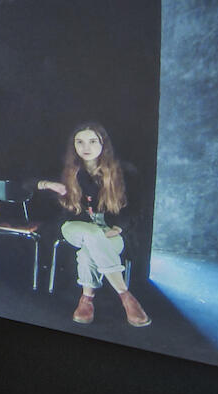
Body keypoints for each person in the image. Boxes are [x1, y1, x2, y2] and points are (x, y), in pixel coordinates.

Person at [36, 122, 151, 327]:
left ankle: (86, 299)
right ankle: (126, 297)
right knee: (90, 234)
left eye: (92, 141)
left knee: (89, 250)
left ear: (103, 144)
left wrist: (118, 228)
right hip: (74, 227)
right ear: (74, 146)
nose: (85, 147)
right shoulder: (67, 170)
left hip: (110, 231)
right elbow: (25, 181)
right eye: (79, 142)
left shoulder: (124, 171)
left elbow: (136, 208)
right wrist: (47, 184)